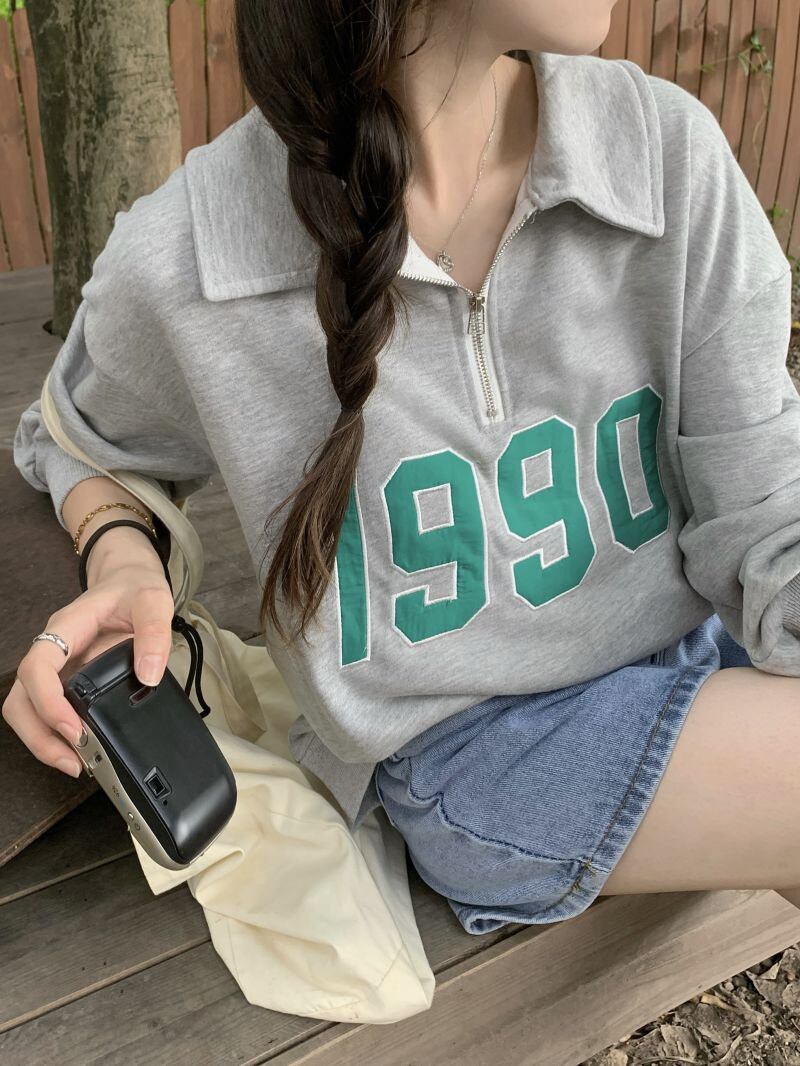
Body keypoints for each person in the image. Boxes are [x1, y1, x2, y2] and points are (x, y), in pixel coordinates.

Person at [6, 0, 800, 935]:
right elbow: (72, 436)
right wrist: (121, 553)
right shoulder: (194, 254)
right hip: (481, 750)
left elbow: (771, 518)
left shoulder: (663, 155)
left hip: (694, 658)